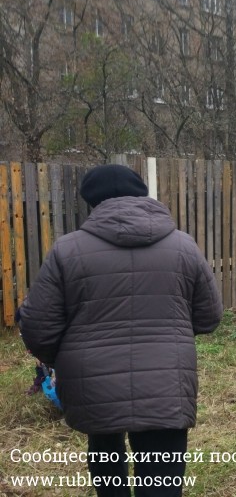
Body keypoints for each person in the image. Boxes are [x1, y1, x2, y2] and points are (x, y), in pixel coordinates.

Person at [18, 164, 223, 497]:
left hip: (93, 383)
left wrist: (68, 358)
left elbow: (39, 328)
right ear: (142, 194)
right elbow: (209, 316)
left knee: (106, 453)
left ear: (91, 201)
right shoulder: (184, 246)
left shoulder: (67, 250)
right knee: (161, 476)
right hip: (165, 383)